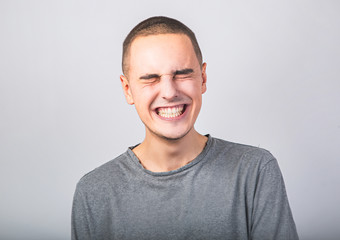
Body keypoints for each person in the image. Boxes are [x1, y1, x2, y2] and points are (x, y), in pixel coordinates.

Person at [71, 16, 299, 240]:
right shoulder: (93, 192)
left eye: (182, 74)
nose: (169, 92)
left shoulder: (255, 171)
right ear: (128, 89)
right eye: (150, 78)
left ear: (203, 78)